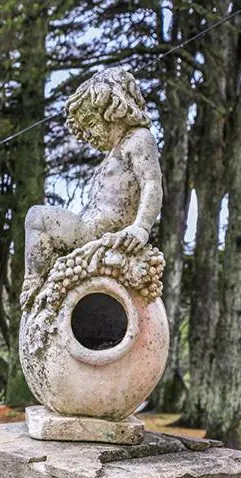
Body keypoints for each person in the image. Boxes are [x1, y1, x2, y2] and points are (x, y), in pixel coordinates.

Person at [21, 67, 162, 309]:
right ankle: (42, 281)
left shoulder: (139, 139)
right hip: (88, 229)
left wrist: (141, 227)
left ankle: (33, 280)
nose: (87, 134)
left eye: (90, 122)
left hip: (96, 232)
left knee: (37, 217)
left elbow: (151, 183)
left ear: (112, 109)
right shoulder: (112, 155)